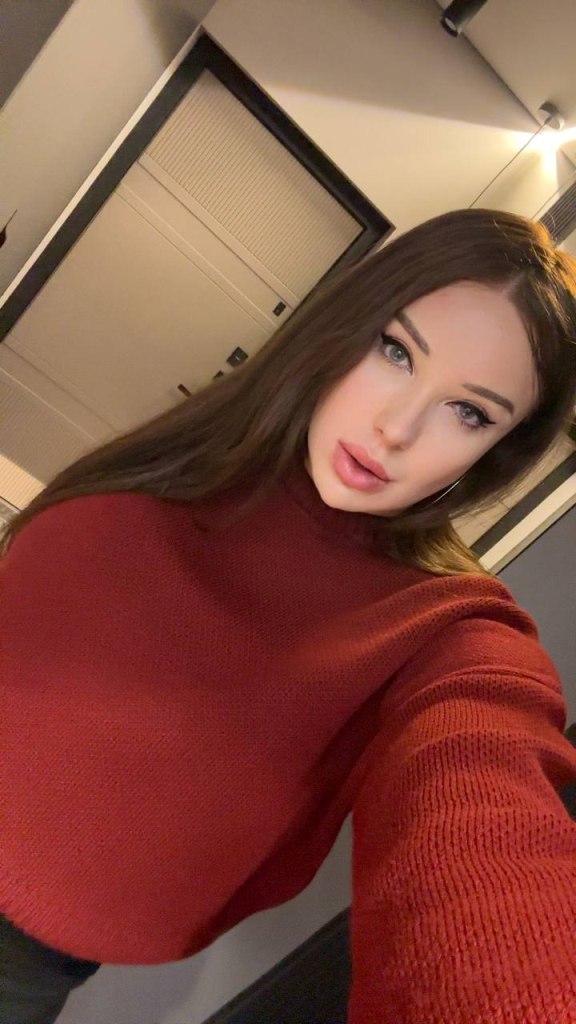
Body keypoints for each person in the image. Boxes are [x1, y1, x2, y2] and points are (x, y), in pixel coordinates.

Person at [1, 207, 576, 1024]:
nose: (397, 428)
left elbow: (487, 796)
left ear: (498, 451)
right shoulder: (204, 449)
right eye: (395, 351)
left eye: (470, 413)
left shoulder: (446, 629)